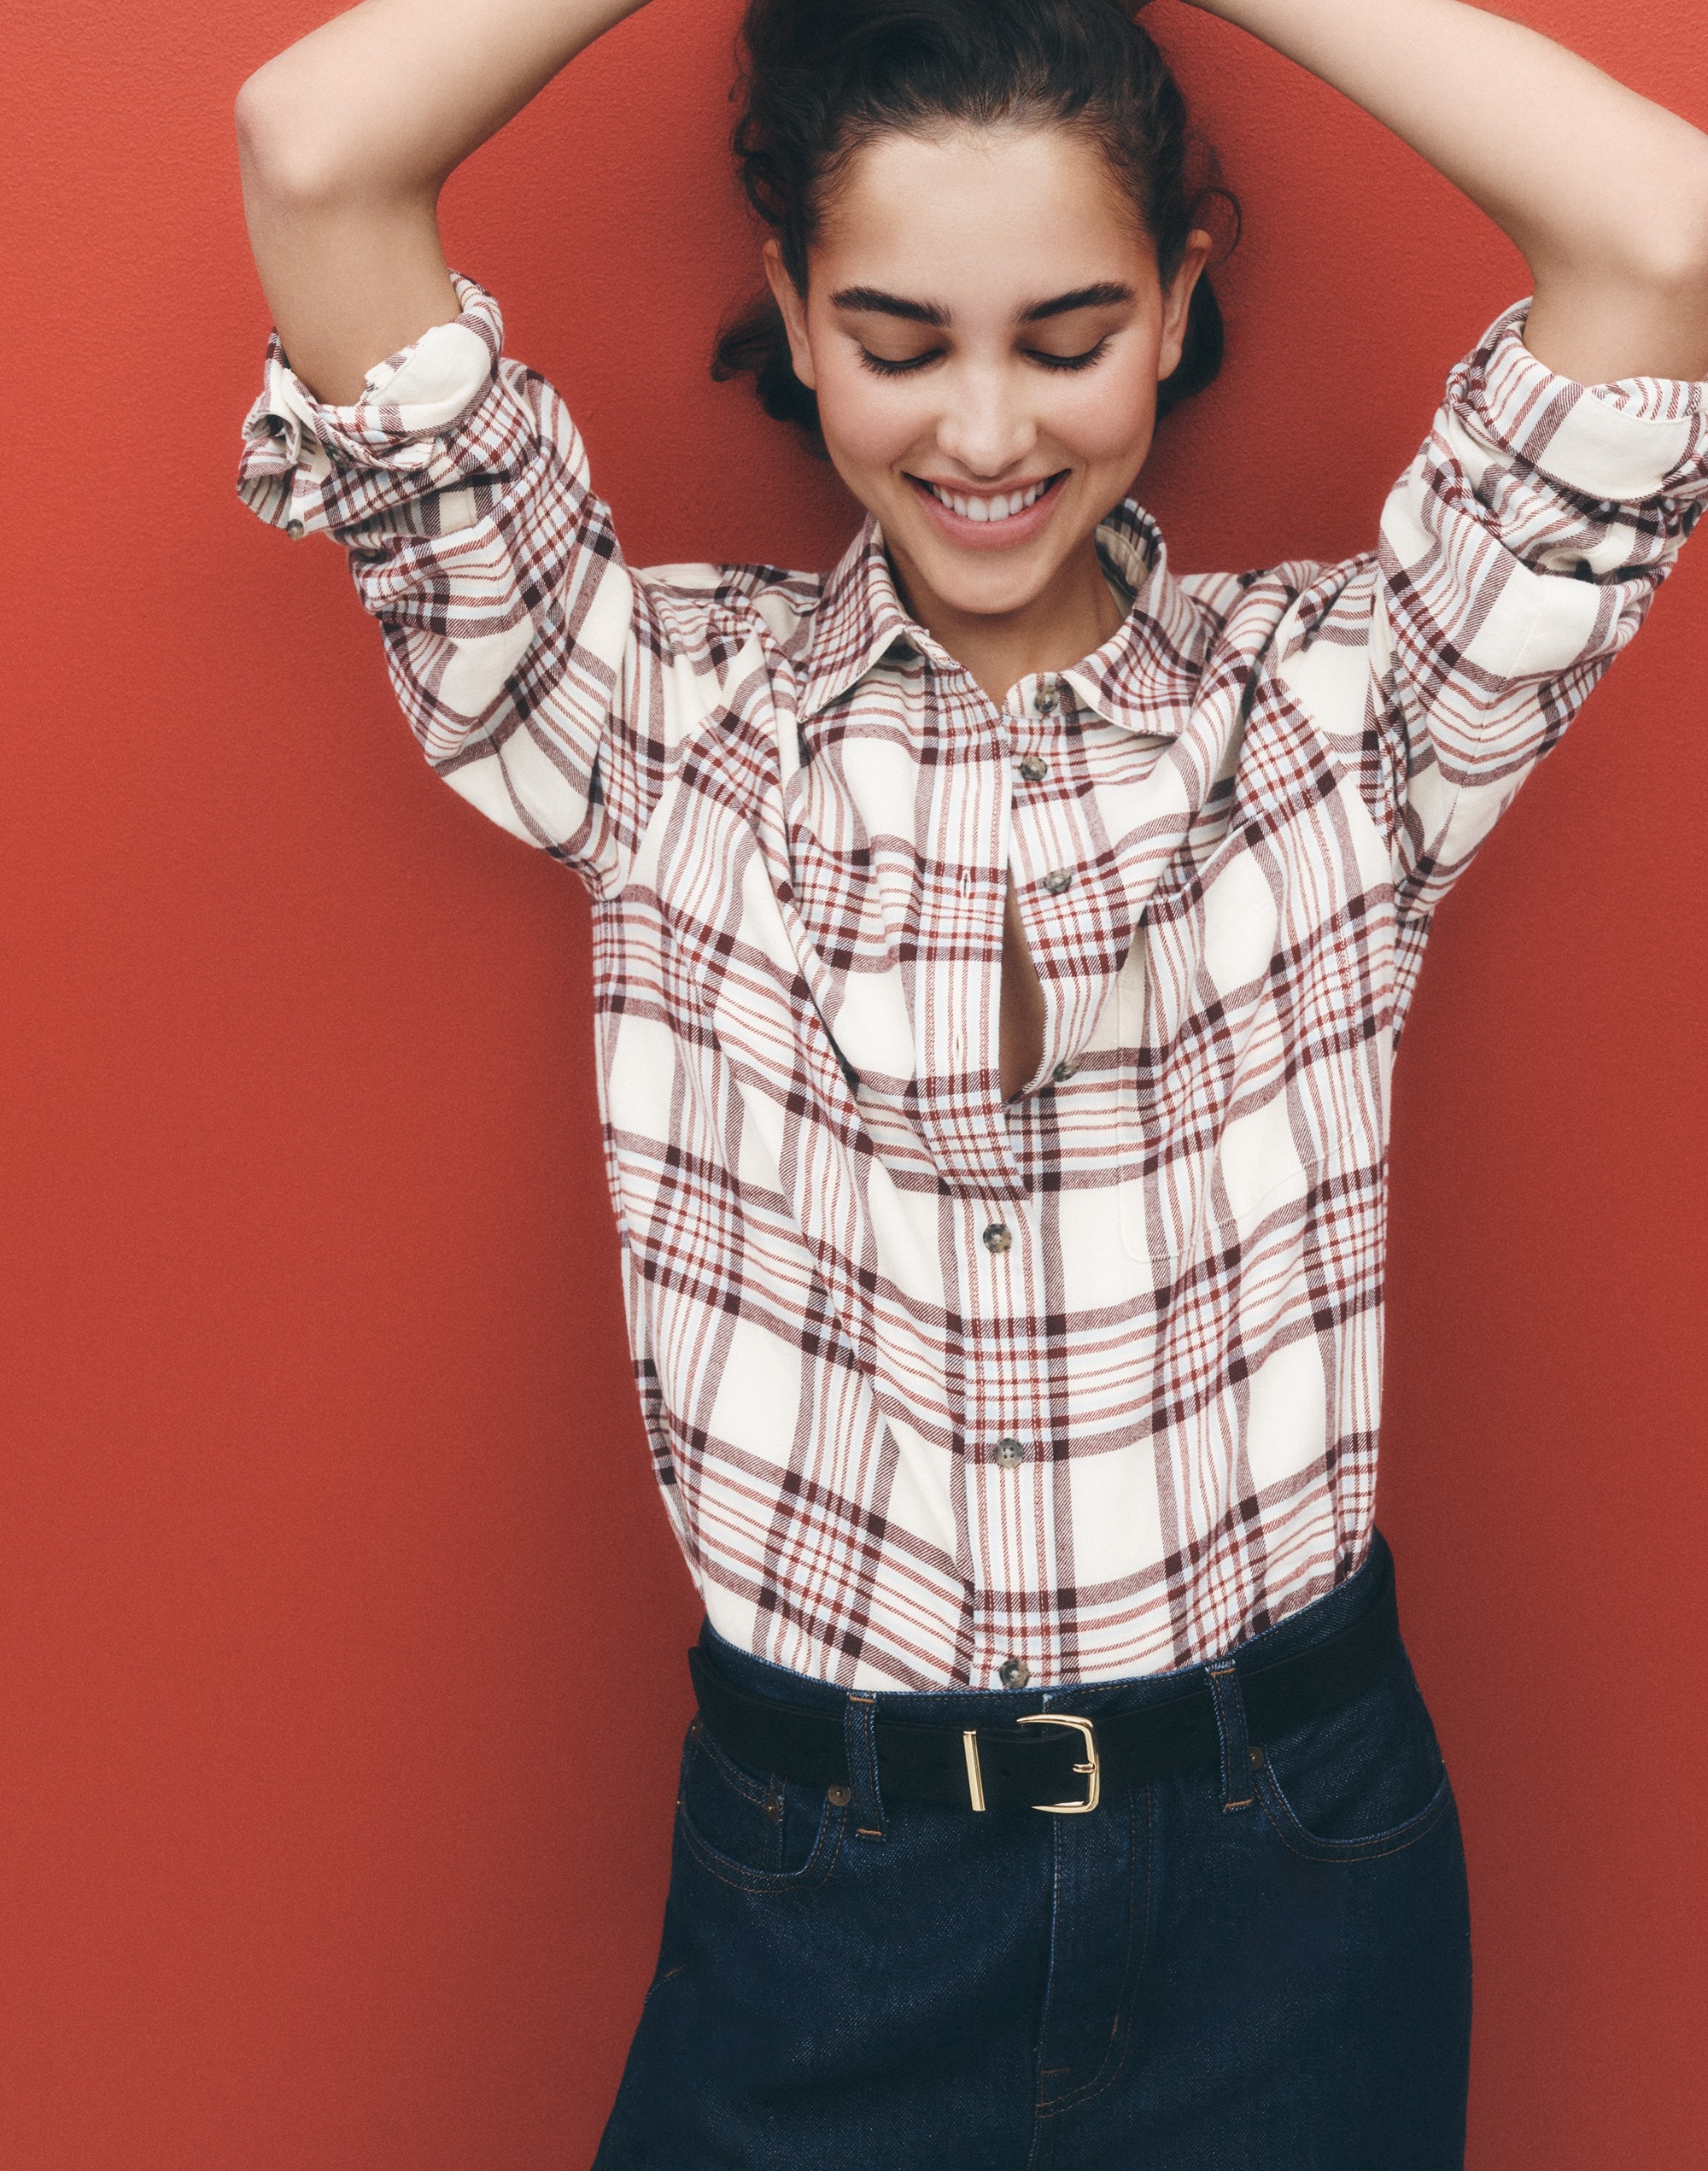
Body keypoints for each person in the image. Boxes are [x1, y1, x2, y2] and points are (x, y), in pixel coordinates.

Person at [232, 0, 1708, 2162]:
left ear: (1181, 297)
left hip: (1296, 1878)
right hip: (825, 1892)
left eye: (1070, 331)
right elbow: (314, 148)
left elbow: (1664, 235)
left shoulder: (1347, 712)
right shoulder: (653, 716)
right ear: (794, 317)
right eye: (902, 339)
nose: (988, 429)